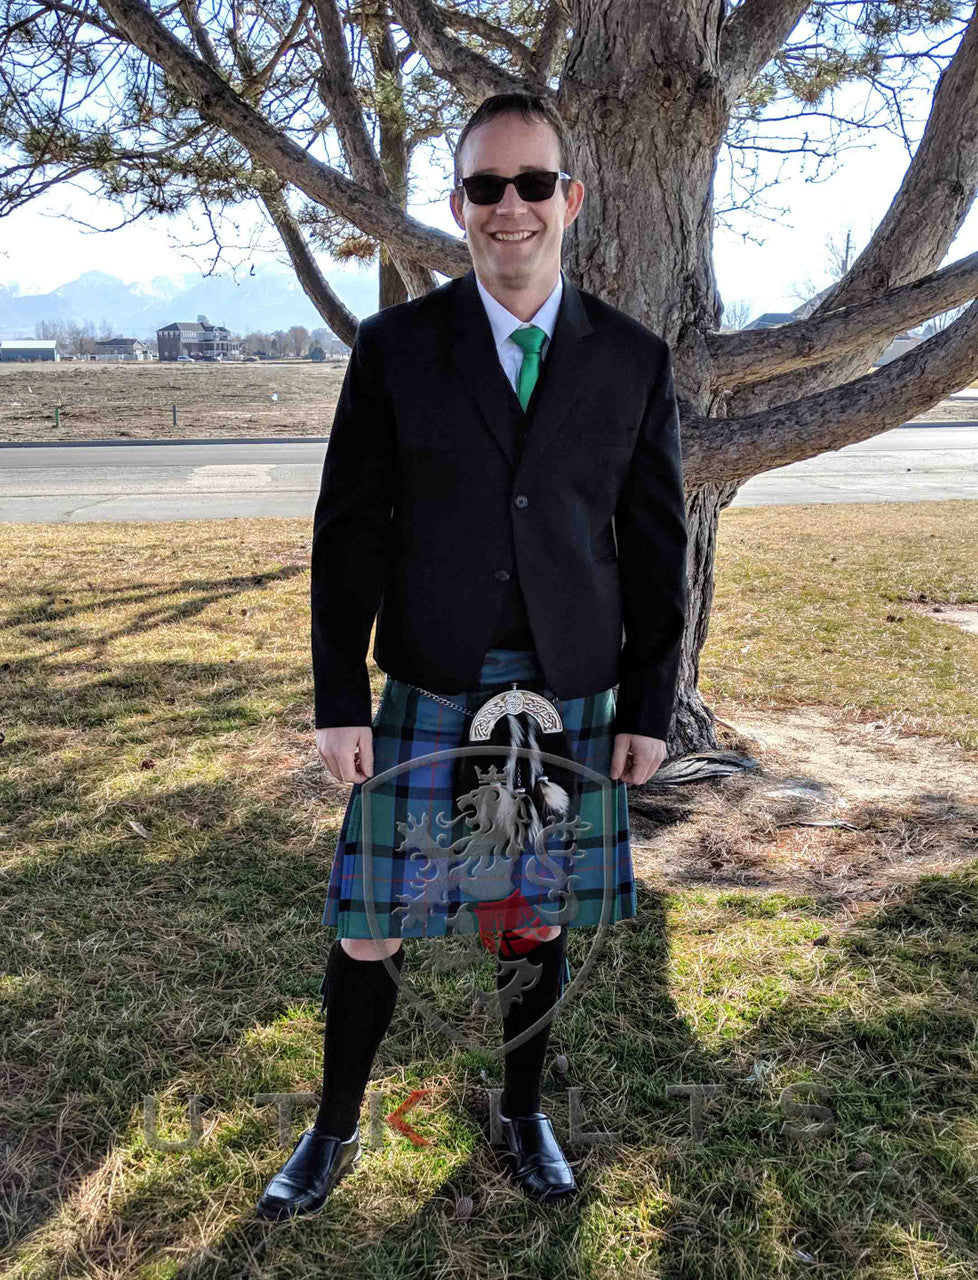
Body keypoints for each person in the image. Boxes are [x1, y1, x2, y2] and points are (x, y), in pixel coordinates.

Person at [256, 90, 688, 1220]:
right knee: (370, 918)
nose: (511, 208)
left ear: (570, 199)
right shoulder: (398, 347)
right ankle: (334, 1125)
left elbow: (654, 548)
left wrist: (649, 701)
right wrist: (339, 693)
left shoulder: (631, 358)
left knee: (535, 911)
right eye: (486, 187)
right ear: (458, 205)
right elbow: (347, 528)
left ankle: (522, 1108)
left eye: (533, 183)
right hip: (432, 677)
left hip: (570, 687)